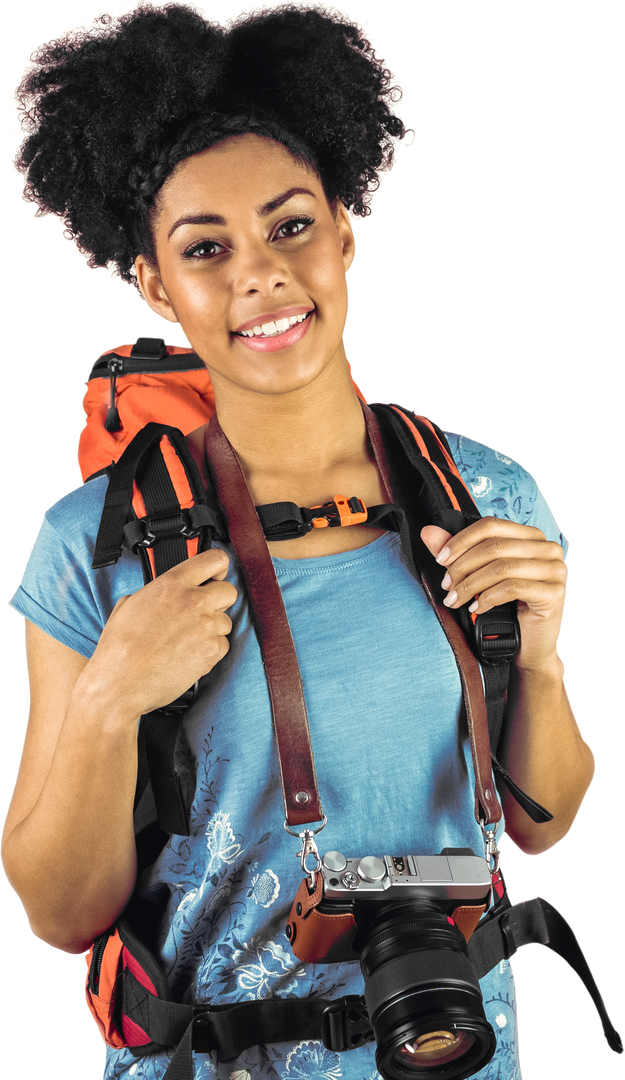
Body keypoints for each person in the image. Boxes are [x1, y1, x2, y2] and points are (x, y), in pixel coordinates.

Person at [1, 3, 597, 1078]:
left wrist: (544, 654)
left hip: (458, 1051)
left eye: (289, 226)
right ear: (153, 285)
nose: (258, 276)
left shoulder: (483, 490)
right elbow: (55, 911)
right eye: (204, 249)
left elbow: (543, 827)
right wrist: (107, 699)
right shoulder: (93, 542)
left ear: (344, 230)